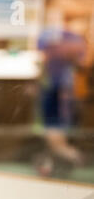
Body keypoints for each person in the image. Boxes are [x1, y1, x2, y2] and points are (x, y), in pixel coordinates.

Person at [36, 13, 88, 176]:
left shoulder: (75, 39)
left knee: (57, 126)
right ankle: (59, 158)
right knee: (52, 126)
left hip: (62, 89)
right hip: (51, 86)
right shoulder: (52, 35)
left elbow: (80, 62)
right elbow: (43, 57)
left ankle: (66, 157)